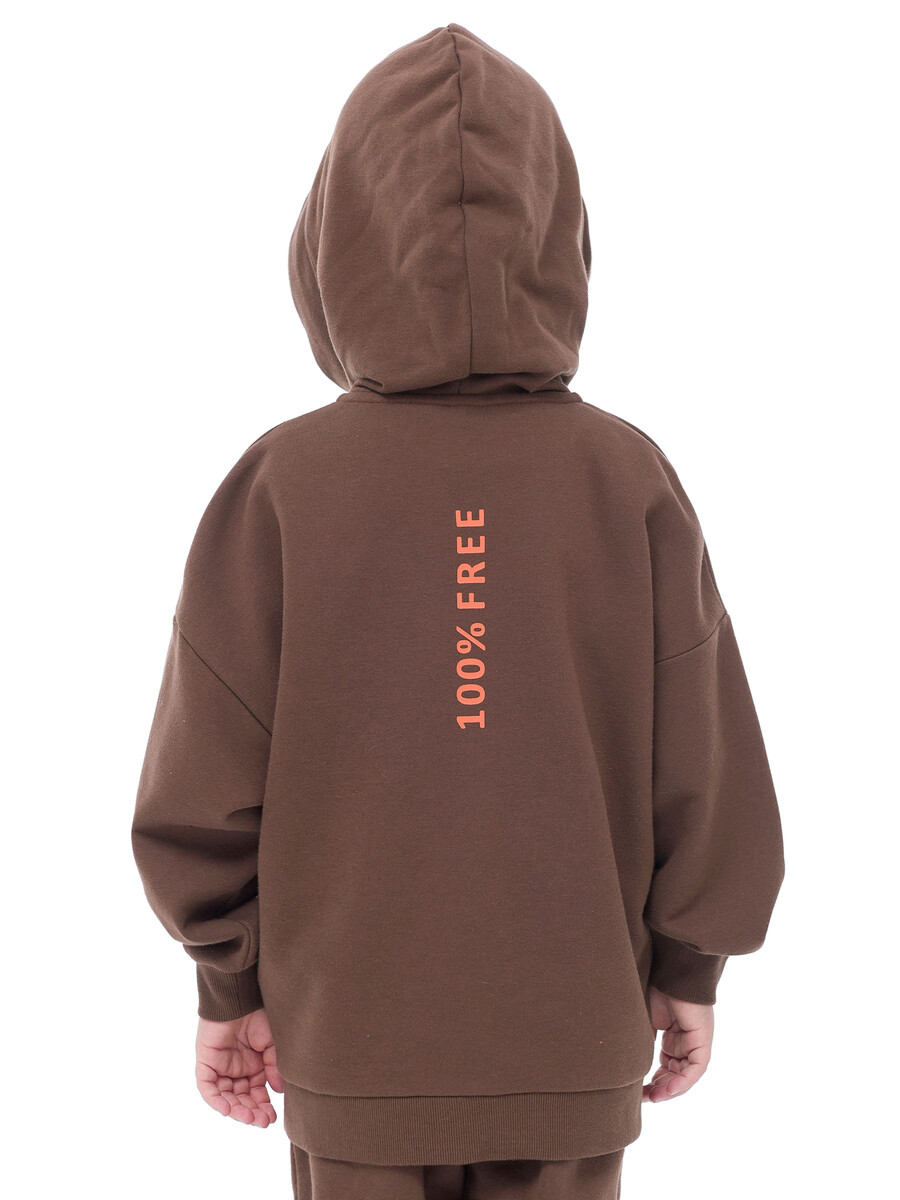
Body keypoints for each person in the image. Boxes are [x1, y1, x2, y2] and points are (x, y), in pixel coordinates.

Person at [131, 22, 785, 1200]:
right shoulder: (625, 479)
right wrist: (690, 964)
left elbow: (204, 780)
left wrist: (229, 982)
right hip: (574, 1039)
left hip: (353, 1045)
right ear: (562, 236)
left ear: (334, 242)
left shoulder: (282, 485)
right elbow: (707, 756)